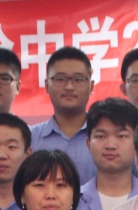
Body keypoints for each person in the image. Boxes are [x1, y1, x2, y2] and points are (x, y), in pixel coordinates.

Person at [65, 98, 138, 210]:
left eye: (121, 136)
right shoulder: (70, 202)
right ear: (88, 144)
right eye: (101, 136)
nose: (110, 145)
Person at [31, 46, 96, 183]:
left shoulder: (109, 138)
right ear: (46, 85)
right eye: (60, 79)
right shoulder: (30, 139)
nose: (69, 87)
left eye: (78, 79)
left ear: (91, 86)